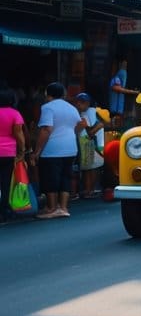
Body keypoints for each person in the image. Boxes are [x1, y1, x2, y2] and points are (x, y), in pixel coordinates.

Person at [31, 82, 85, 219]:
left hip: (52, 148)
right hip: (71, 147)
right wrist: (71, 133)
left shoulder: (47, 108)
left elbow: (46, 129)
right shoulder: (71, 108)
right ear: (63, 94)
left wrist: (37, 151)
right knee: (65, 176)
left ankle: (51, 207)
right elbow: (80, 124)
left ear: (47, 94)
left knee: (50, 177)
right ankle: (64, 207)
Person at [0, 88, 26, 222]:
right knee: (5, 182)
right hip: (7, 152)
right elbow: (18, 134)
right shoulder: (15, 114)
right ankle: (4, 210)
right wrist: (22, 150)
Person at [74, 92, 106, 199]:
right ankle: (90, 190)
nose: (81, 104)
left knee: (89, 168)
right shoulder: (86, 112)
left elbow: (91, 129)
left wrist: (91, 132)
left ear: (88, 103)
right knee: (92, 167)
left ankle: (89, 190)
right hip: (90, 142)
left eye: (84, 102)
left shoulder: (90, 112)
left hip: (88, 142)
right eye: (79, 102)